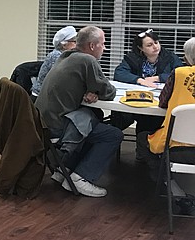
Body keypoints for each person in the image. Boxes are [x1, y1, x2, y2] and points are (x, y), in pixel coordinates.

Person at [35, 26, 123, 197]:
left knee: (93, 120)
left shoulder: (66, 56)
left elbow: (87, 85)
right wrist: (97, 90)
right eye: (103, 44)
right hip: (58, 126)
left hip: (42, 121)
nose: (105, 48)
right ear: (92, 46)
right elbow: (109, 92)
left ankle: (64, 169)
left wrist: (93, 90)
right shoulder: (87, 61)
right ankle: (80, 178)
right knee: (113, 134)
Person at [140, 37, 195, 215]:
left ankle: (174, 189)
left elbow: (163, 103)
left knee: (143, 139)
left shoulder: (179, 73)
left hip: (179, 149)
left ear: (187, 58)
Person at [112, 28, 183, 133]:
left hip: (159, 100)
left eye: (156, 42)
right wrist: (140, 80)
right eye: (149, 45)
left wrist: (158, 78)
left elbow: (179, 74)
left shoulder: (170, 57)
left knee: (150, 122)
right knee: (120, 117)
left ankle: (146, 143)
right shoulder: (132, 58)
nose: (155, 47)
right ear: (141, 48)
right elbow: (119, 73)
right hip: (137, 99)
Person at [31, 26, 77, 99]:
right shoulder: (56, 56)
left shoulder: (67, 56)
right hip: (41, 98)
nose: (76, 45)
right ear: (64, 45)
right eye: (74, 42)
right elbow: (62, 79)